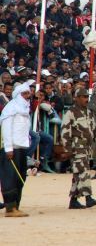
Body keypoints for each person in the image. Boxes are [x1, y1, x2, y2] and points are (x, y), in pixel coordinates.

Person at [60, 88, 96, 209]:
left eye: (87, 97)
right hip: (76, 147)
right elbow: (65, 131)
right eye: (83, 97)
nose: (86, 99)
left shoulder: (89, 112)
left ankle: (73, 200)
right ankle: (88, 198)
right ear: (76, 98)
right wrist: (67, 149)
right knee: (84, 170)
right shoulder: (70, 112)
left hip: (87, 147)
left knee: (78, 174)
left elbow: (94, 128)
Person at [0, 81, 34, 217]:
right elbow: (6, 129)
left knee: (20, 177)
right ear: (18, 95)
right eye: (24, 94)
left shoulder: (25, 110)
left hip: (22, 147)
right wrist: (8, 148)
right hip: (11, 148)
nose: (27, 96)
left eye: (28, 93)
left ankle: (16, 205)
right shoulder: (11, 108)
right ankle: (10, 207)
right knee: (10, 177)